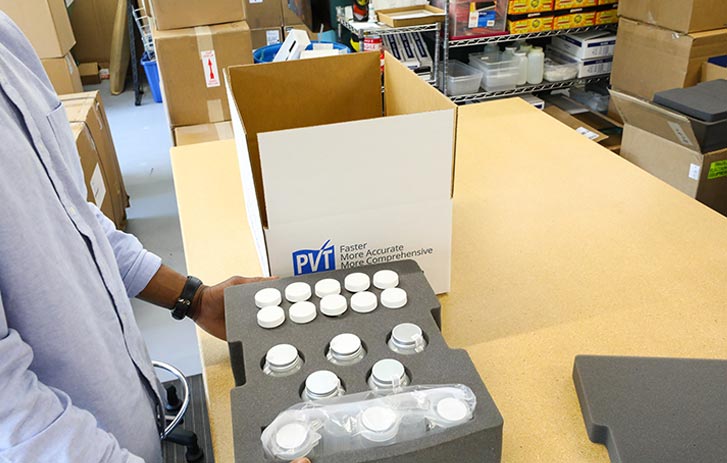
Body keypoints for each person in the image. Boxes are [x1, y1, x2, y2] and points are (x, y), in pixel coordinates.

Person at [0, 11, 310, 463]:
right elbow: (15, 422)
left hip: (131, 425)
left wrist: (194, 298)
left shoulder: (8, 40)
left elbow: (72, 217)